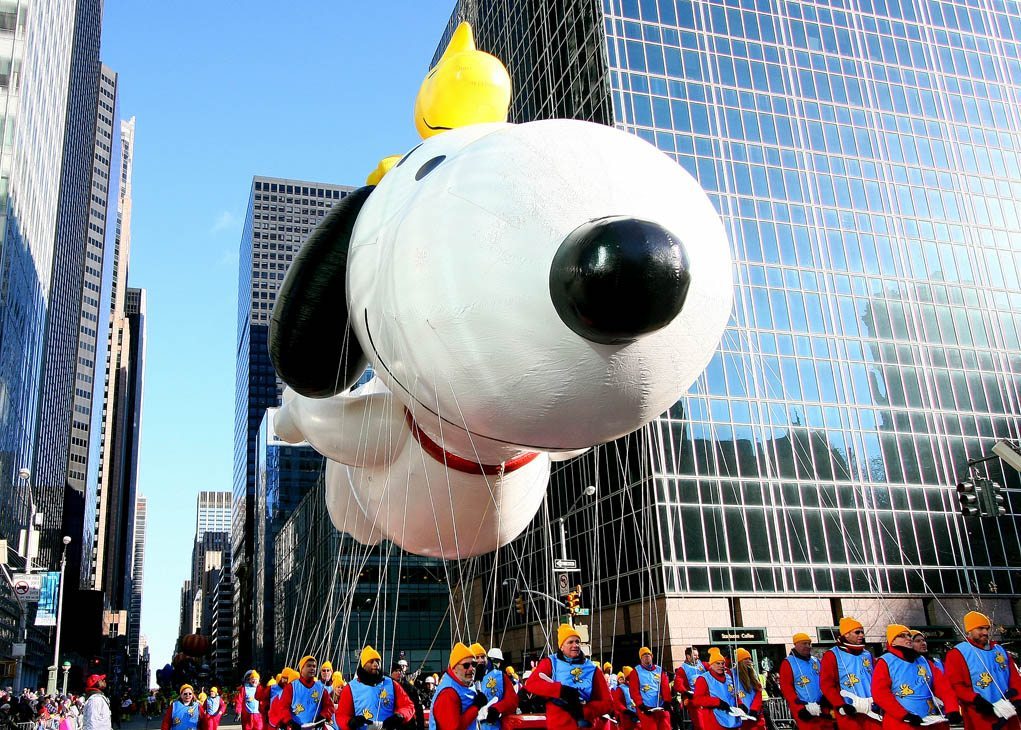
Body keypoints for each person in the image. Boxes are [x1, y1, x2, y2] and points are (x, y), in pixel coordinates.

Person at [523, 624, 613, 730]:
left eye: (577, 642)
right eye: (570, 642)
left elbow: (608, 703)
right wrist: (561, 690)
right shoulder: (550, 663)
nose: (575, 645)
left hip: (585, 725)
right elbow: (531, 684)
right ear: (561, 647)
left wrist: (585, 711)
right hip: (559, 725)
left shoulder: (592, 668)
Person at [944, 611, 1021, 730]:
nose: (985, 632)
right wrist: (975, 699)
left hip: (1008, 713)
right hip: (980, 715)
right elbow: (956, 685)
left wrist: (1018, 699)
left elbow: (1014, 678)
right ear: (969, 631)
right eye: (980, 628)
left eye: (987, 628)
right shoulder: (957, 653)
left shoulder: (999, 650)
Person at [874, 624, 960, 729]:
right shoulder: (886, 662)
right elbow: (880, 693)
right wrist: (904, 715)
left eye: (909, 635)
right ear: (893, 641)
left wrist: (952, 709)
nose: (908, 638)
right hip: (901, 723)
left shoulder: (923, 661)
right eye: (902, 636)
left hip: (931, 720)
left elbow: (944, 687)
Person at [821, 617, 880, 730]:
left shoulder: (867, 654)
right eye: (857, 632)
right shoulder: (832, 655)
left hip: (873, 709)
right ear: (846, 634)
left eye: (862, 632)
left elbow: (877, 679)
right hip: (849, 711)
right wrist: (840, 705)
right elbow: (826, 684)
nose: (861, 635)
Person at [335, 647, 413, 730]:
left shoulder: (391, 684)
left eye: (378, 661)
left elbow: (408, 705)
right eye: (371, 661)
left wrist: (400, 715)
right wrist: (350, 722)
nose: (376, 664)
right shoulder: (351, 688)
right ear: (364, 665)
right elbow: (342, 715)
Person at [429, 642, 487, 730]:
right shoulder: (448, 693)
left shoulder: (462, 683)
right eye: (466, 665)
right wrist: (476, 707)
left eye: (474, 664)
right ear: (454, 668)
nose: (471, 668)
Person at [779, 633, 829, 730]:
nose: (808, 646)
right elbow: (787, 689)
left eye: (809, 643)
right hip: (805, 710)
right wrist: (799, 709)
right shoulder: (788, 663)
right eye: (804, 643)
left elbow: (825, 681)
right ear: (796, 644)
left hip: (823, 708)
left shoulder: (815, 661)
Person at [270, 656, 335, 730]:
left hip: (317, 727)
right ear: (302, 669)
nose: (312, 668)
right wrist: (290, 722)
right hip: (296, 727)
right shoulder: (291, 687)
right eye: (309, 666)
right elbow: (282, 708)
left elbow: (329, 706)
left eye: (314, 666)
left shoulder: (321, 688)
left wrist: (323, 716)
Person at [692, 648, 742, 730]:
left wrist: (740, 703)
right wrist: (717, 702)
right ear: (711, 665)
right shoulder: (703, 679)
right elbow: (697, 700)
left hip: (732, 719)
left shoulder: (728, 677)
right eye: (718, 663)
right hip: (714, 721)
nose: (721, 666)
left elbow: (733, 694)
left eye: (723, 663)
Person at [627, 647, 671, 730]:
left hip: (661, 706)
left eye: (648, 654)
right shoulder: (635, 672)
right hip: (646, 707)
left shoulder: (659, 670)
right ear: (641, 658)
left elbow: (665, 686)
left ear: (652, 656)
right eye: (644, 655)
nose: (646, 656)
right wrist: (640, 705)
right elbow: (634, 691)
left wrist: (667, 701)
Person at [477, 648, 519, 730]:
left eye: (497, 661)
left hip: (491, 725)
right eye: (477, 657)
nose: (480, 660)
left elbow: (512, 701)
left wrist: (497, 708)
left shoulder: (501, 677)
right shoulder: (465, 677)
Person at [675, 649, 707, 730]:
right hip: (694, 700)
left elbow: (714, 667)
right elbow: (678, 684)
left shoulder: (703, 665)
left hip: (707, 698)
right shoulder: (682, 669)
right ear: (688, 656)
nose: (697, 657)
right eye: (695, 655)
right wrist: (686, 692)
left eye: (697, 655)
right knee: (700, 725)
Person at [733, 650, 764, 730]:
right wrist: (740, 704)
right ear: (739, 661)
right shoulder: (733, 674)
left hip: (754, 715)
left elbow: (758, 693)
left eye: (749, 659)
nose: (749, 661)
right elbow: (732, 692)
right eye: (745, 659)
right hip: (741, 715)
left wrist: (755, 709)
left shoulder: (753, 675)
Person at [391, 661, 425, 730]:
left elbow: (418, 708)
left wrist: (420, 726)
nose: (398, 673)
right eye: (396, 671)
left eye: (400, 671)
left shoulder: (410, 688)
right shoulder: (386, 687)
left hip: (407, 723)